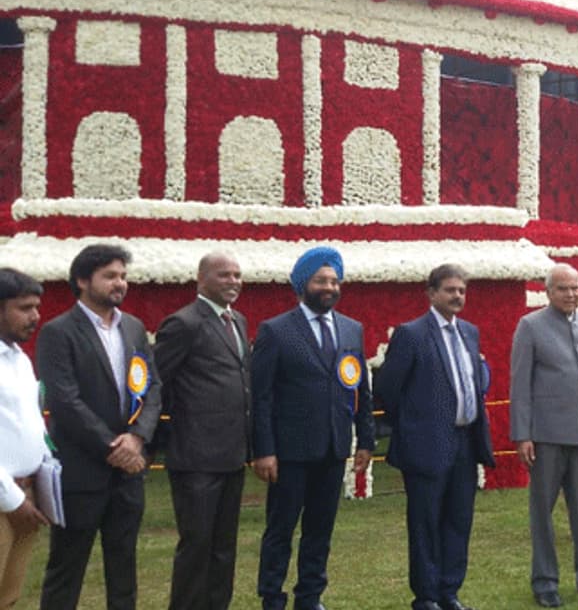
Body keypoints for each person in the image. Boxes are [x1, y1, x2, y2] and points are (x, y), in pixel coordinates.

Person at [38, 244, 161, 609]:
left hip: (128, 476)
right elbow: (64, 400)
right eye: (109, 276)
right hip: (81, 473)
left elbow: (152, 386)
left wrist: (137, 438)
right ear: (82, 280)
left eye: (122, 276)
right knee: (66, 569)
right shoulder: (57, 332)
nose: (119, 283)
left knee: (123, 568)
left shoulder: (134, 328)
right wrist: (114, 447)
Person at [251, 247, 374, 610]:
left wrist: (365, 440)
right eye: (321, 280)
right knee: (281, 530)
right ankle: (272, 596)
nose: (329, 286)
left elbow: (360, 389)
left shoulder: (352, 329)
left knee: (320, 530)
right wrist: (263, 449)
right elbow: (261, 398)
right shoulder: (275, 330)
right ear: (304, 284)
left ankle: (310, 596)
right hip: (289, 452)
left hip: (334, 447)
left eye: (335, 280)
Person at [375, 263, 494, 610]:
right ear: (431, 293)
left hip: (464, 442)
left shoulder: (469, 332)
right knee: (426, 523)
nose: (457, 296)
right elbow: (388, 389)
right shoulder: (411, 334)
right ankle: (426, 597)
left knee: (459, 520)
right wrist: (415, 425)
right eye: (450, 290)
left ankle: (449, 592)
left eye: (461, 291)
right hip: (426, 445)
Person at [510, 264, 578, 608]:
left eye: (575, 288)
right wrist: (522, 434)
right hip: (546, 436)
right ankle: (545, 582)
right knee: (543, 511)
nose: (571, 294)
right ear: (548, 292)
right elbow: (520, 385)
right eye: (563, 289)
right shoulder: (530, 326)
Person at [153, 252, 251, 610]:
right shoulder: (183, 323)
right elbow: (156, 382)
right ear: (201, 278)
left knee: (224, 547)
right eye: (224, 274)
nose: (233, 281)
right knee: (196, 546)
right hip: (196, 457)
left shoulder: (237, 320)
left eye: (238, 275)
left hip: (232, 454)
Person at [0, 268, 49, 608]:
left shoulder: (19, 359)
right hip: (7, 500)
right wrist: (12, 500)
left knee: (9, 596)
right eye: (24, 307)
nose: (36, 316)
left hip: (25, 496)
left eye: (36, 307)